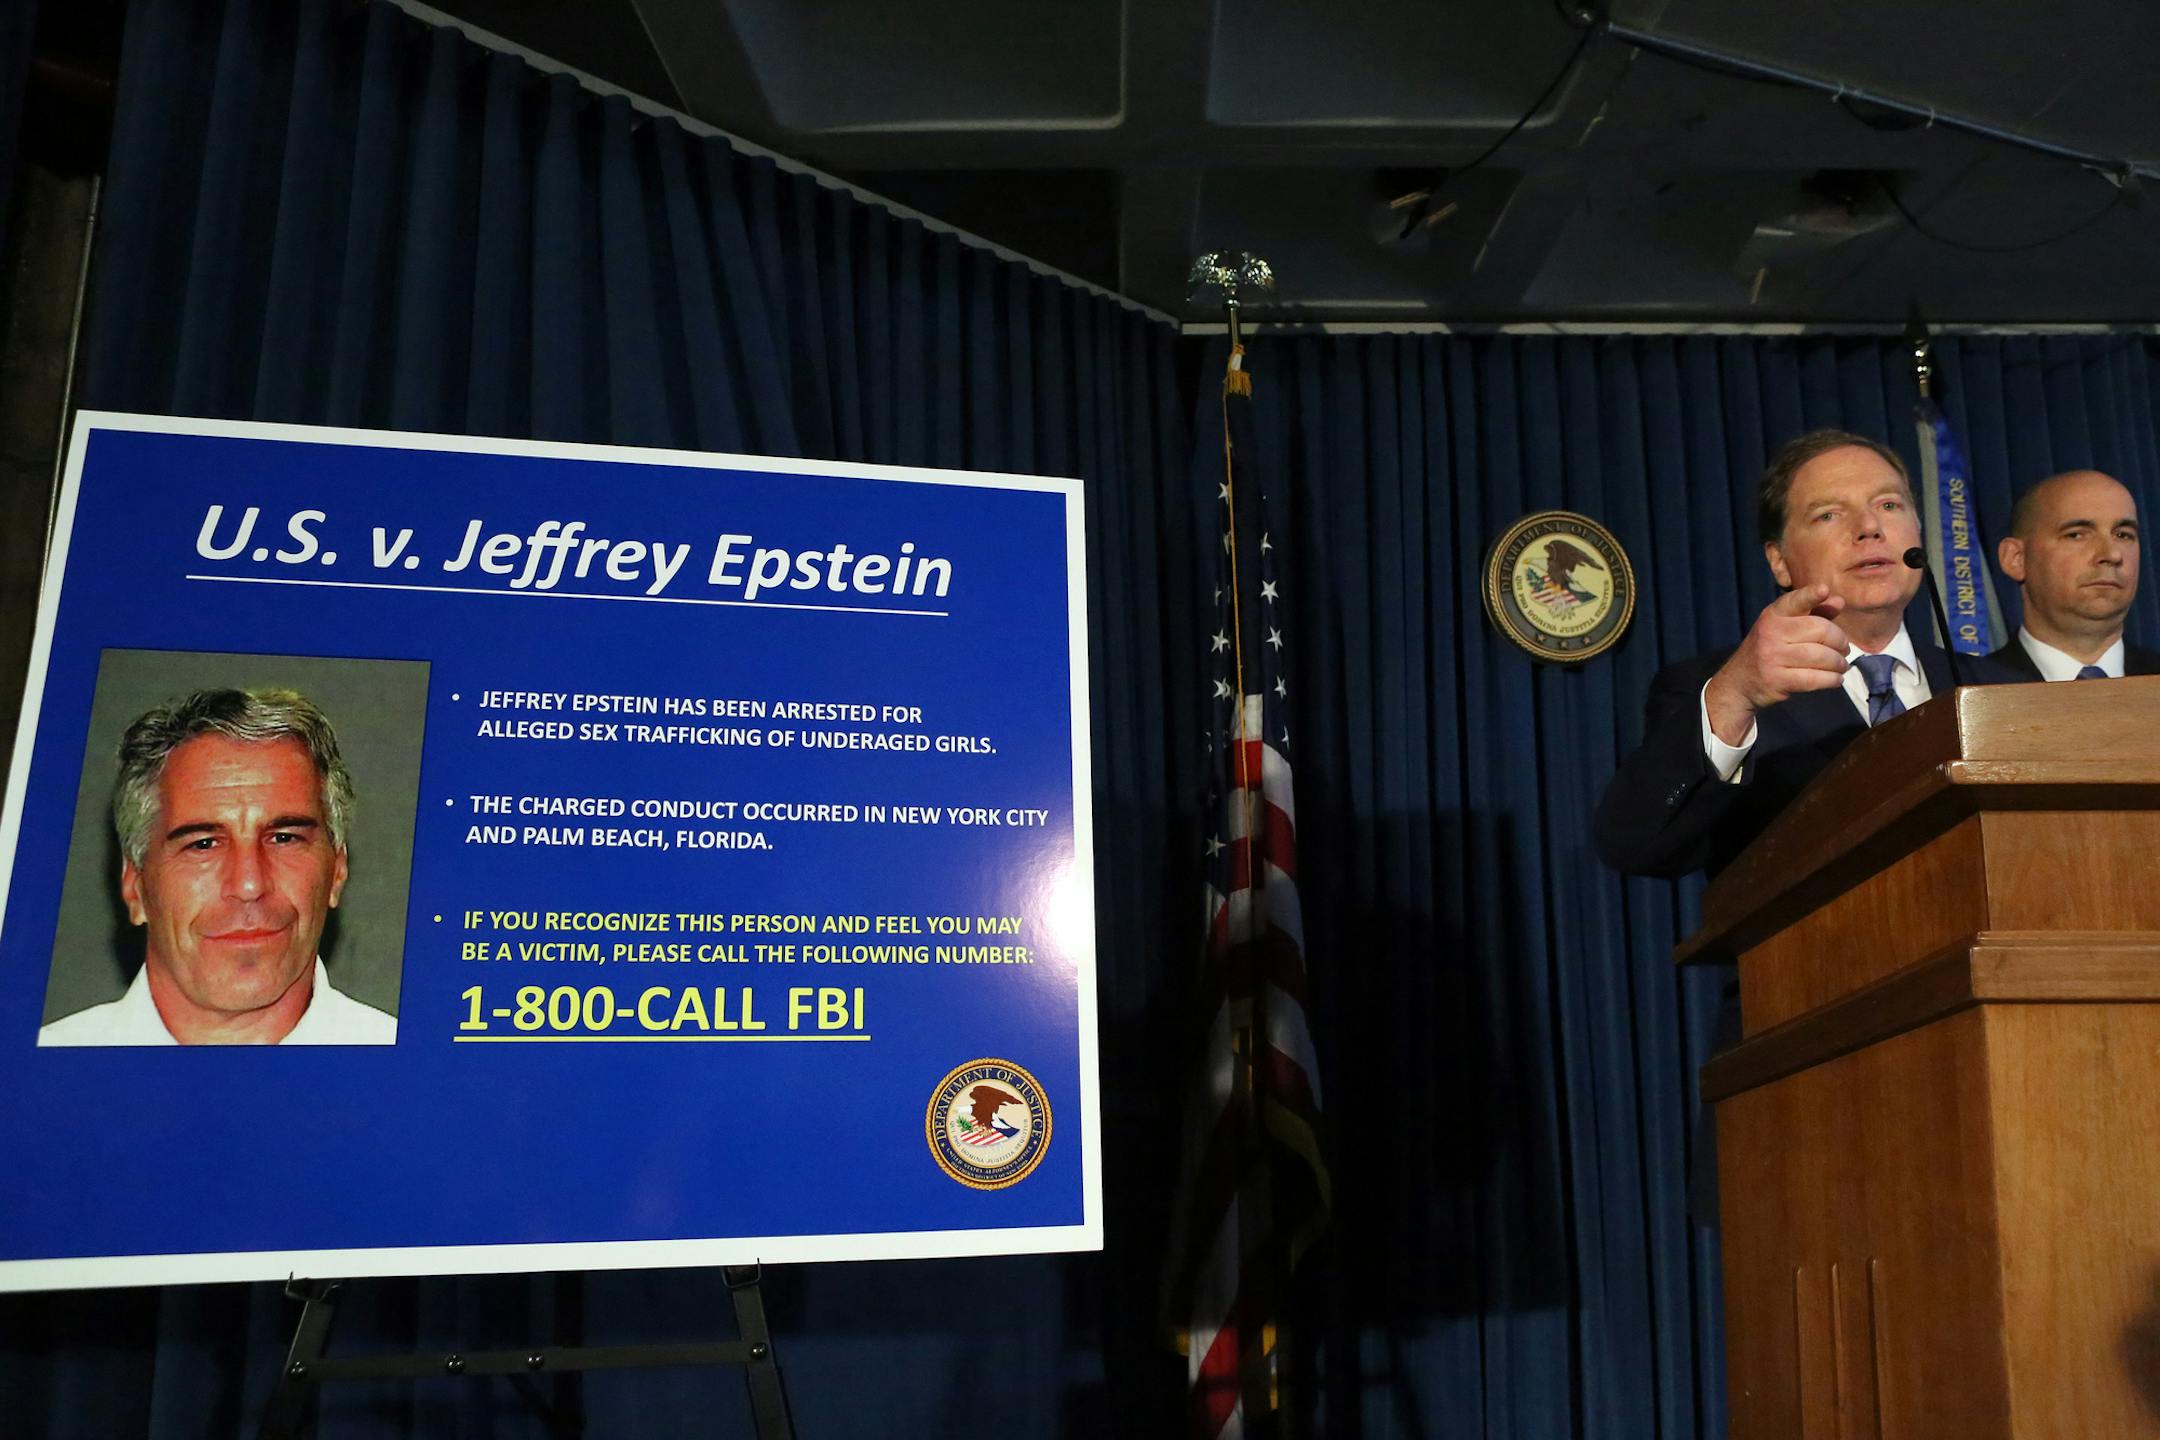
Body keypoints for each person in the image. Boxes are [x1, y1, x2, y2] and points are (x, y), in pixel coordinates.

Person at [1595, 429, 2013, 879]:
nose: (1869, 527)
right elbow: (1635, 845)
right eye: (1828, 514)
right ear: (1779, 561)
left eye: (1889, 505)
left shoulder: (2004, 690)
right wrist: (1733, 696)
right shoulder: (1720, 694)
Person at [39, 688, 396, 1046]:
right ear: (135, 887)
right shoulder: (40, 1069)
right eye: (203, 844)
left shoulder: (411, 1064)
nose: (249, 884)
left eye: (284, 838)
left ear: (337, 870)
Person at [1989, 469, 2156, 680]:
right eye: (2076, 535)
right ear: (2016, 559)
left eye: (2123, 535)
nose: (2112, 554)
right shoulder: (1966, 690)